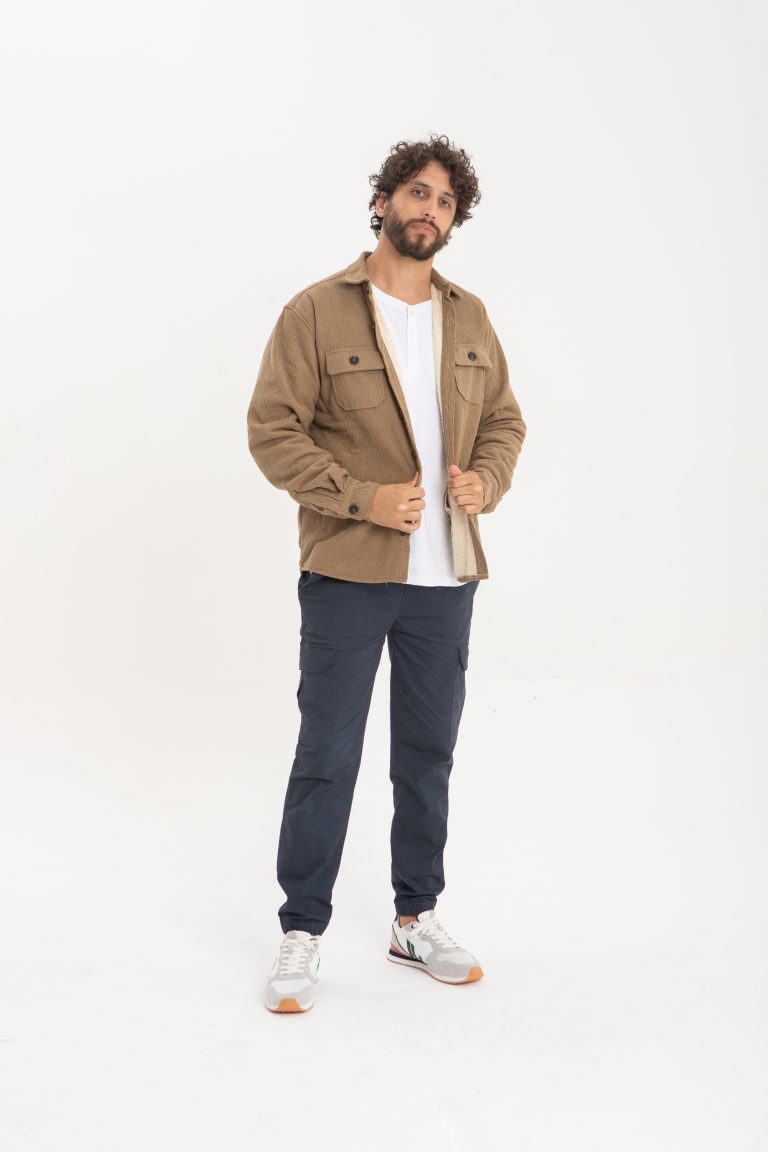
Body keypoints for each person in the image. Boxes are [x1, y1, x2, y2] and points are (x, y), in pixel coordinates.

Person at [247, 133, 526, 1013]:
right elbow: (272, 431)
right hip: (348, 572)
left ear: (454, 219)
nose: (429, 209)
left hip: (448, 580)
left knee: (427, 756)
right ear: (382, 202)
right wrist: (361, 499)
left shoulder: (469, 316)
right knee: (326, 755)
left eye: (445, 200)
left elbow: (505, 422)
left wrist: (487, 481)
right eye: (416, 192)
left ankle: (415, 917)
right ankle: (302, 930)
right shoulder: (315, 311)